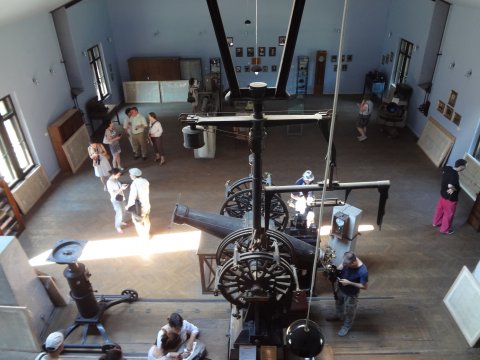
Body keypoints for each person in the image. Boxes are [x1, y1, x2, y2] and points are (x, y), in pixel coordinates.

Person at [328, 251, 368, 337]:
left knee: (350, 310)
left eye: (347, 265)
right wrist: (335, 272)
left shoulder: (363, 271)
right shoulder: (347, 260)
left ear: (353, 262)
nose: (344, 265)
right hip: (341, 288)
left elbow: (364, 286)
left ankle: (346, 326)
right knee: (339, 303)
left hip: (351, 294)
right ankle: (339, 315)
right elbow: (341, 266)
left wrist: (349, 283)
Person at [433, 158, 467, 234]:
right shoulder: (454, 175)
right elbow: (450, 185)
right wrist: (454, 189)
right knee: (448, 214)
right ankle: (444, 230)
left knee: (440, 210)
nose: (465, 168)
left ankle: (436, 223)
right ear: (461, 166)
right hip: (450, 199)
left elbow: (444, 169)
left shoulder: (448, 168)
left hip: (443, 195)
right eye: (465, 166)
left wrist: (445, 178)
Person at [126, 167, 151, 240]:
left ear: (134, 176)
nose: (129, 175)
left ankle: (144, 236)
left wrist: (127, 206)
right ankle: (147, 234)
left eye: (130, 174)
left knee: (137, 222)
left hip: (139, 208)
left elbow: (132, 198)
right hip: (147, 205)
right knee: (147, 220)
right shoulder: (145, 181)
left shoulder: (134, 184)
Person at [106, 168, 129, 233]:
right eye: (118, 174)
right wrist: (121, 188)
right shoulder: (109, 182)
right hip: (115, 200)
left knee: (124, 210)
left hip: (121, 197)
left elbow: (118, 187)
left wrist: (122, 186)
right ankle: (118, 226)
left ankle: (121, 221)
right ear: (114, 174)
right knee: (119, 213)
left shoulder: (115, 179)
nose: (119, 175)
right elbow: (112, 193)